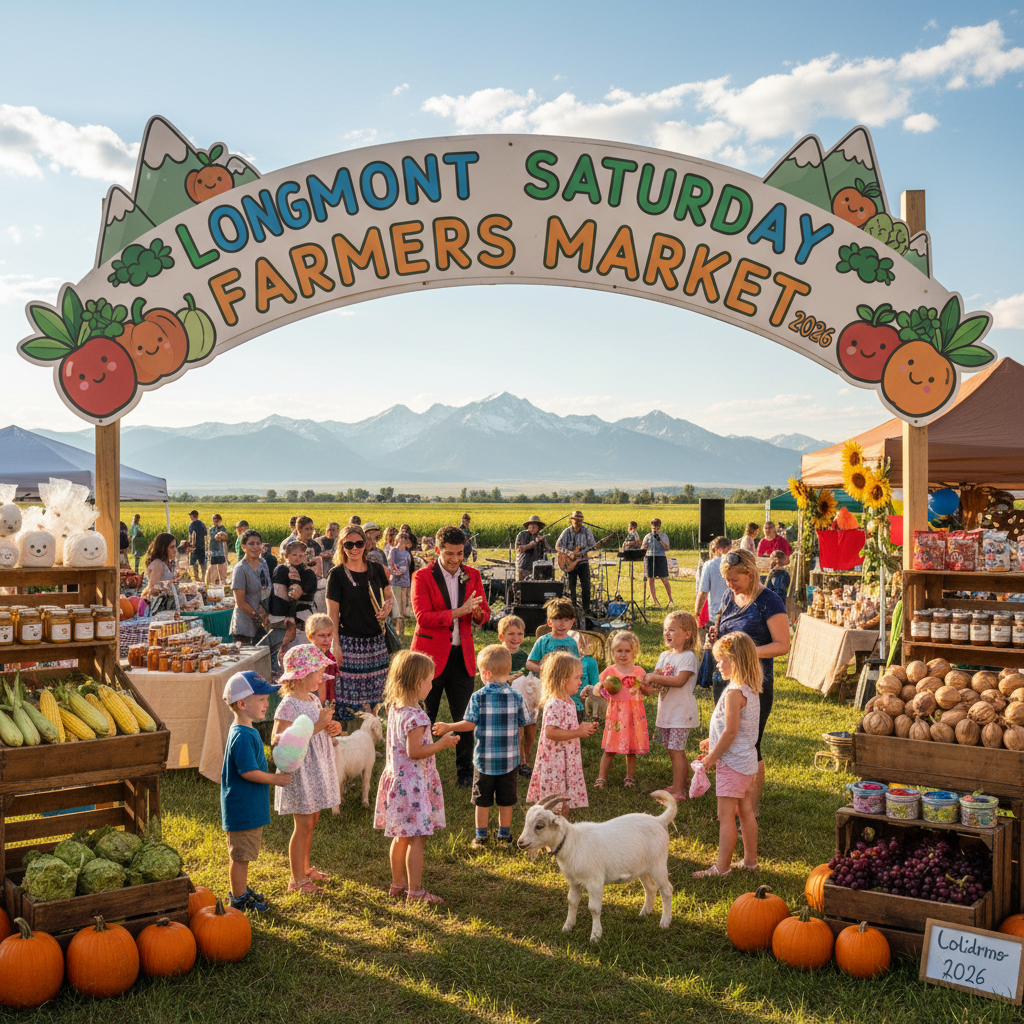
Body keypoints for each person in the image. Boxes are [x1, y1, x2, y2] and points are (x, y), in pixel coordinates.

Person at [707, 547, 790, 816]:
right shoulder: (729, 598)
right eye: (727, 580)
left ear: (751, 574)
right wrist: (715, 639)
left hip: (755, 684)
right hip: (727, 680)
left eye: (735, 580)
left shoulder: (770, 601)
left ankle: (749, 811)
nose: (730, 585)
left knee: (750, 745)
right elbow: (725, 635)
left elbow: (782, 645)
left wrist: (746, 652)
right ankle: (732, 800)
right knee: (727, 739)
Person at [375, 650, 458, 904]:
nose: (431, 685)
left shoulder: (395, 708)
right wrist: (442, 744)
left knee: (401, 836)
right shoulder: (417, 716)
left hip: (398, 783)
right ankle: (416, 892)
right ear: (416, 682)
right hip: (413, 787)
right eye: (429, 680)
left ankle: (398, 884)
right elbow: (415, 752)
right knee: (418, 840)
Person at [411, 525, 491, 787]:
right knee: (424, 716)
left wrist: (476, 613)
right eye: (449, 554)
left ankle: (465, 772)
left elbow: (484, 615)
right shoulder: (422, 577)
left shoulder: (473, 575)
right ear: (436, 551)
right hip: (428, 659)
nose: (456, 559)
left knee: (464, 717)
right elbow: (423, 617)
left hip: (462, 656)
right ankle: (418, 768)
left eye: (460, 554)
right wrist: (460, 610)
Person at [432, 645, 528, 849]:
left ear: (485, 673)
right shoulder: (517, 697)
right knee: (506, 801)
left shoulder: (478, 697)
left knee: (482, 801)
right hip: (510, 761)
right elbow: (524, 722)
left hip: (484, 760)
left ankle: (481, 837)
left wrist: (449, 725)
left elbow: (469, 724)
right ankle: (505, 837)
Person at [271, 645, 342, 894]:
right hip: (300, 772)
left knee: (312, 820)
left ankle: (304, 868)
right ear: (302, 674)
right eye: (318, 672)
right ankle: (296, 881)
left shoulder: (312, 699)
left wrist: (332, 727)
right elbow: (277, 740)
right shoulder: (288, 705)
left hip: (316, 767)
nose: (322, 676)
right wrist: (315, 726)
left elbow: (320, 725)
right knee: (302, 825)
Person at [692, 632, 763, 878]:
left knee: (726, 817)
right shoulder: (749, 689)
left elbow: (731, 731)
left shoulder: (734, 693)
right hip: (746, 762)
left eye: (722, 659)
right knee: (746, 812)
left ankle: (721, 869)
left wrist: (712, 756)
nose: (718, 664)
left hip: (732, 764)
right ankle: (751, 862)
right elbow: (737, 728)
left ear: (737, 660)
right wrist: (712, 740)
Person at [221, 670, 291, 912]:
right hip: (242, 808)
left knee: (244, 854)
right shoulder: (241, 735)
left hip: (248, 806)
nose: (266, 703)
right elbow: (248, 772)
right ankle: (239, 899)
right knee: (240, 856)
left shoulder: (246, 730)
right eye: (260, 699)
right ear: (242, 704)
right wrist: (275, 779)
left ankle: (241, 890)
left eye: (266, 698)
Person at [326, 524, 394, 721]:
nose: (354, 548)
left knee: (378, 693)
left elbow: (389, 595)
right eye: (349, 544)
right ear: (342, 547)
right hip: (349, 643)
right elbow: (332, 615)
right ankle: (348, 737)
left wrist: (388, 605)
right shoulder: (336, 575)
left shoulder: (376, 570)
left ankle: (373, 736)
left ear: (366, 544)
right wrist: (335, 645)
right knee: (347, 696)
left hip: (376, 642)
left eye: (359, 543)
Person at [525, 651, 596, 811]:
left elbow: (567, 726)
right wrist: (578, 732)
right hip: (554, 764)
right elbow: (551, 732)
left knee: (564, 802)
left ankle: (562, 832)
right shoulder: (555, 704)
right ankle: (549, 833)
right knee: (552, 805)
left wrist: (583, 728)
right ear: (564, 681)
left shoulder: (568, 700)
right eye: (577, 677)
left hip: (565, 760)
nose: (580, 681)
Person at [646, 610, 700, 801]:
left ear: (687, 634)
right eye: (665, 629)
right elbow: (656, 684)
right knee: (671, 750)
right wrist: (642, 687)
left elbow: (678, 681)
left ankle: (679, 791)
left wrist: (652, 677)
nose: (667, 633)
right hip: (667, 712)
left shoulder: (688, 657)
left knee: (677, 751)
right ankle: (677, 785)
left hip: (681, 713)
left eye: (672, 630)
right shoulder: (664, 655)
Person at [595, 630, 654, 789]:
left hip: (634, 715)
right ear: (613, 652)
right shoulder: (609, 672)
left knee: (631, 749)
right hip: (616, 714)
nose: (623, 654)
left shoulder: (639, 672)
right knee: (610, 748)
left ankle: (629, 777)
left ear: (634, 652)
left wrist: (650, 688)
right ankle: (601, 778)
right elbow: (599, 687)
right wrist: (597, 691)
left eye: (627, 651)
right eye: (619, 651)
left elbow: (644, 689)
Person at [266, 540, 317, 665]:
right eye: (294, 555)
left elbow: (307, 591)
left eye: (301, 555)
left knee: (305, 654)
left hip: (304, 615)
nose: (298, 558)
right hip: (284, 616)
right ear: (287, 556)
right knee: (288, 656)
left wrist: (298, 584)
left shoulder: (308, 573)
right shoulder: (282, 570)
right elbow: (281, 596)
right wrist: (289, 615)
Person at [497, 614, 531, 776]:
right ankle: (505, 761)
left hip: (519, 700)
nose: (516, 638)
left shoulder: (524, 656)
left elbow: (527, 673)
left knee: (522, 730)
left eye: (520, 634)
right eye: (511, 634)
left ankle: (523, 762)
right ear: (501, 637)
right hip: (500, 701)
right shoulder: (497, 655)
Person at [230, 529, 271, 646]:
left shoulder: (263, 563)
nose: (255, 547)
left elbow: (266, 588)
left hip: (262, 621)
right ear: (243, 547)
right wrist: (260, 619)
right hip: (245, 626)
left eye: (258, 543)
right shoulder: (240, 569)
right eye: (251, 544)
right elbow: (240, 602)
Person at [556, 511, 597, 614]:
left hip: (583, 562)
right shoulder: (567, 532)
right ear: (571, 520)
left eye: (579, 520)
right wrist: (569, 553)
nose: (577, 522)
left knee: (586, 587)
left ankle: (586, 611)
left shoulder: (587, 531)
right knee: (571, 587)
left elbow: (593, 545)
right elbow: (558, 546)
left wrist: (583, 553)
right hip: (569, 564)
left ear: (582, 521)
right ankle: (572, 609)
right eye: (575, 520)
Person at [525, 597, 579, 674]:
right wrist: (541, 669)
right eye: (557, 619)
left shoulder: (572, 642)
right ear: (549, 622)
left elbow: (577, 665)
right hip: (546, 681)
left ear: (572, 622)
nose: (562, 624)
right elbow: (529, 664)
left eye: (566, 620)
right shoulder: (543, 641)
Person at [695, 536, 732, 627]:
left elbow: (703, 591)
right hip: (735, 611)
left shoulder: (709, 565)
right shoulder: (736, 563)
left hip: (716, 613)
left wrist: (697, 612)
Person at [304, 613, 339, 707]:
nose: (327, 639)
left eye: (329, 635)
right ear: (311, 637)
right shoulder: (308, 657)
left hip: (329, 700)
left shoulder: (330, 656)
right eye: (322, 635)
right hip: (312, 702)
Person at [642, 517, 673, 608]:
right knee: (651, 579)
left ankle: (670, 599)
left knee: (664, 579)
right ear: (651, 527)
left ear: (659, 527)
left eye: (657, 527)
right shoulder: (647, 536)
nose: (655, 529)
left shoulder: (664, 536)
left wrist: (659, 540)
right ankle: (655, 601)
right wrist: (645, 546)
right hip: (649, 557)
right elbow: (642, 548)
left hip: (660, 557)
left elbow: (667, 548)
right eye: (653, 527)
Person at [387, 530, 414, 636]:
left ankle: (400, 631)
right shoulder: (394, 551)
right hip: (396, 581)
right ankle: (393, 631)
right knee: (396, 607)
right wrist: (396, 572)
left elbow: (408, 567)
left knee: (403, 607)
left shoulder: (407, 553)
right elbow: (390, 564)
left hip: (405, 582)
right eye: (403, 539)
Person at [571, 630, 600, 720]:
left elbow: (596, 686)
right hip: (564, 705)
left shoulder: (589, 662)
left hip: (583, 707)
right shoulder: (560, 662)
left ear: (581, 645)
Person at [141, 533, 177, 602]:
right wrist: (162, 588)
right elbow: (151, 589)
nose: (175, 550)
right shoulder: (158, 564)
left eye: (175, 546)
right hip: (157, 605)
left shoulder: (169, 563)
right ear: (163, 548)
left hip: (168, 602)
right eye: (171, 547)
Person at [514, 515, 550, 581]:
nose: (531, 529)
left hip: (537, 568)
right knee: (521, 588)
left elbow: (549, 549)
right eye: (530, 527)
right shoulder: (522, 535)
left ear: (538, 528)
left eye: (534, 527)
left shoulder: (541, 536)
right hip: (523, 568)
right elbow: (519, 549)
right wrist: (531, 544)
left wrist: (544, 541)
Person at [207, 513, 229, 586]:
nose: (215, 523)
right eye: (214, 521)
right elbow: (209, 539)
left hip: (221, 552)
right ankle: (212, 584)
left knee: (222, 571)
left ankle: (223, 585)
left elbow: (225, 540)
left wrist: (226, 555)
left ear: (220, 521)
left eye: (217, 521)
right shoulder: (211, 529)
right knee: (213, 568)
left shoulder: (223, 529)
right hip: (212, 552)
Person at [188, 510, 208, 582]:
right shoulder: (202, 524)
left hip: (194, 547)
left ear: (194, 516)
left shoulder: (191, 525)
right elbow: (206, 534)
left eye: (191, 515)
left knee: (194, 564)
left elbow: (191, 536)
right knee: (203, 564)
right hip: (202, 546)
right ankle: (203, 579)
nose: (190, 517)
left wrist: (190, 545)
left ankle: (196, 579)